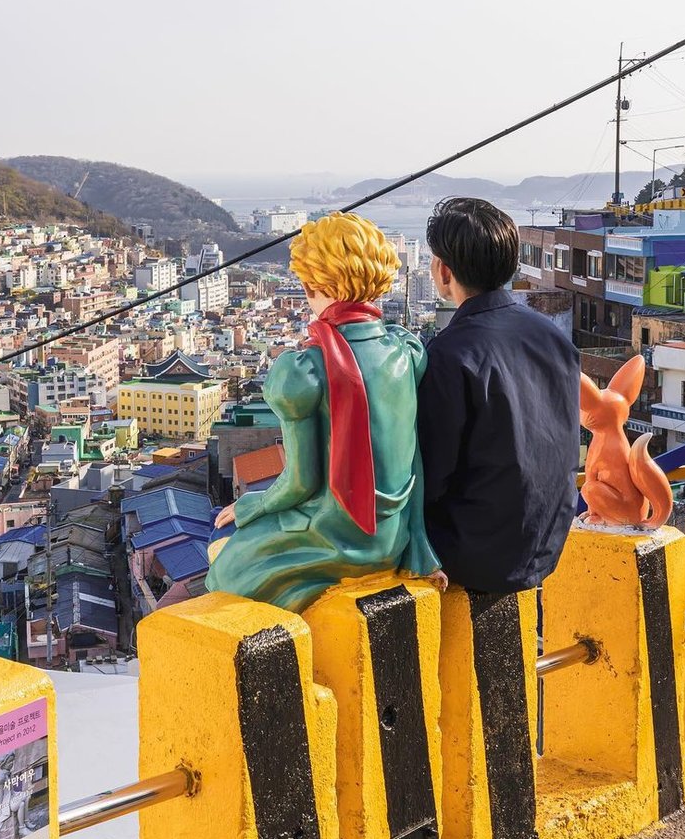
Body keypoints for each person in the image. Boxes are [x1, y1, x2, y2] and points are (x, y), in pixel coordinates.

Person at [207, 212, 441, 613]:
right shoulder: (405, 351)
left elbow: (301, 481)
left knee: (227, 569)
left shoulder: (305, 370)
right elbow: (411, 457)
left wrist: (249, 506)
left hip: (335, 539)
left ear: (316, 283)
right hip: (394, 537)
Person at [417, 197, 580, 595]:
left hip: (475, 557)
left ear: (443, 270)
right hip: (547, 545)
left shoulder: (450, 354)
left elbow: (430, 476)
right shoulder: (553, 337)